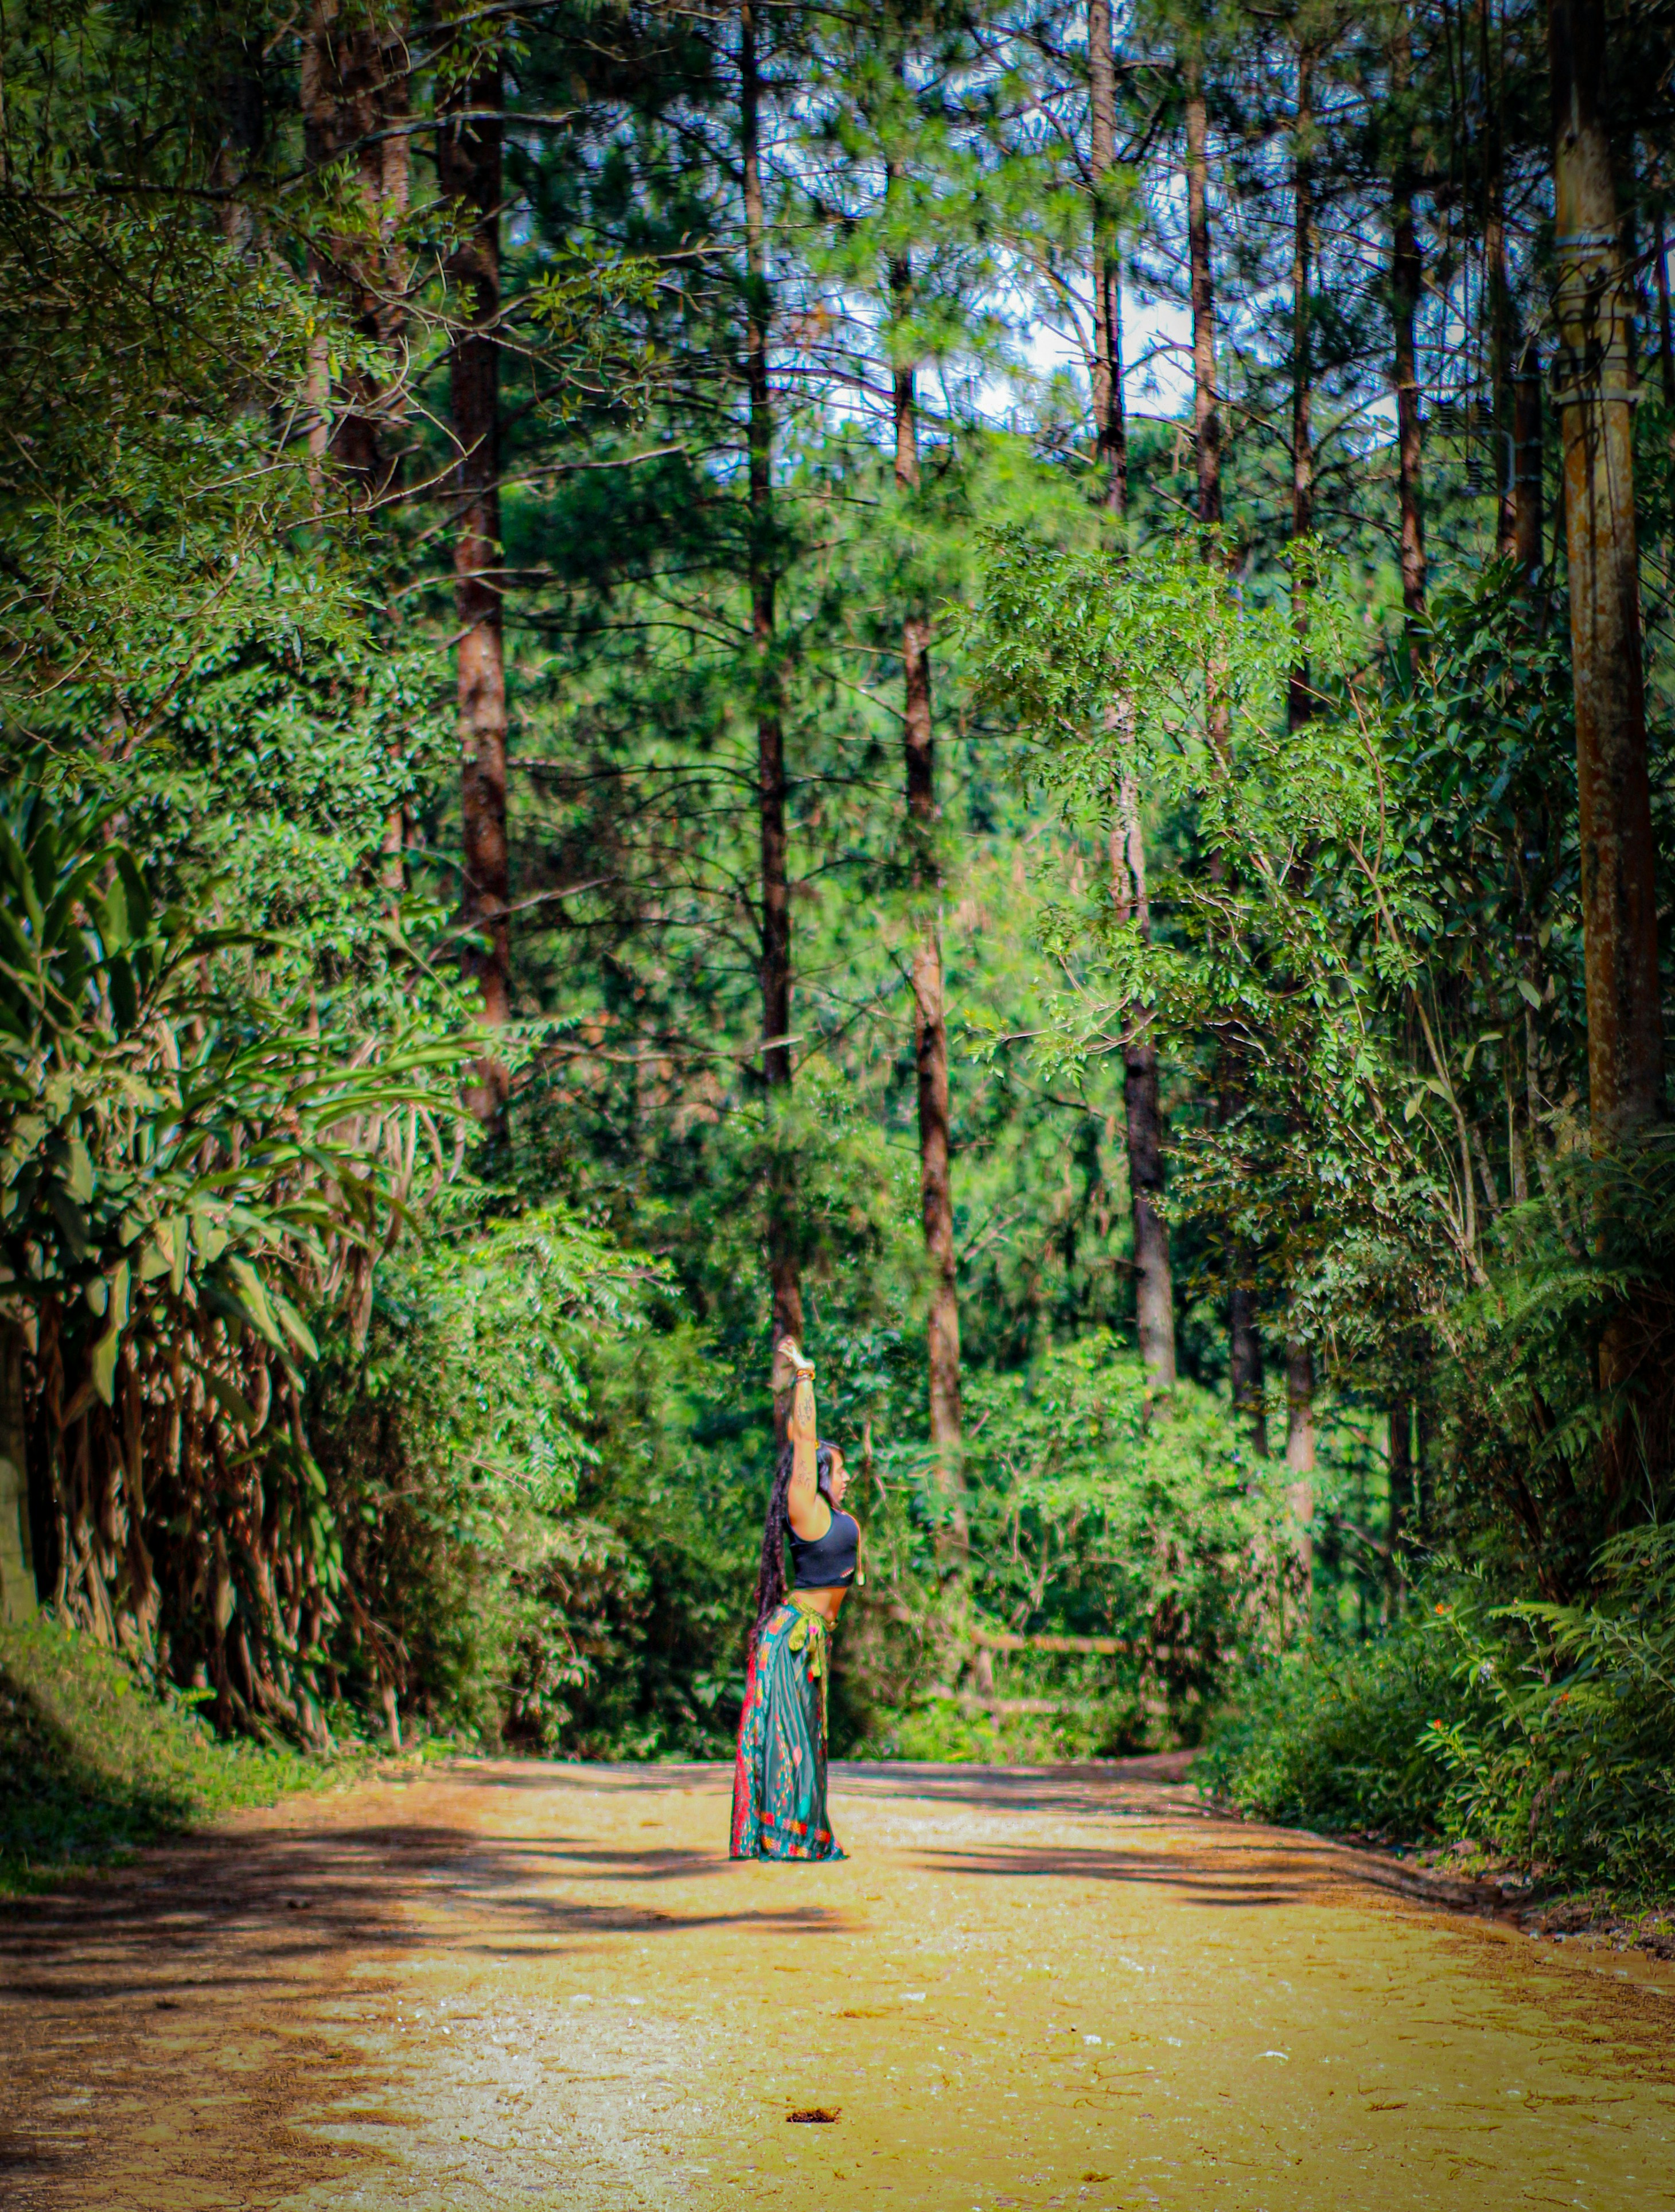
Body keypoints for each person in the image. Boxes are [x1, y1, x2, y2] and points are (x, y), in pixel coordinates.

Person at [729, 1343, 860, 1861]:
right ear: (819, 1477)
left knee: (807, 1742)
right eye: (841, 1470)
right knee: (788, 1743)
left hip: (810, 1643)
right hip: (789, 1640)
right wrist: (804, 1372)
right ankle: (783, 1839)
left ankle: (804, 1836)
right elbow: (804, 1438)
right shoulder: (806, 1508)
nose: (848, 1477)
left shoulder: (838, 1516)